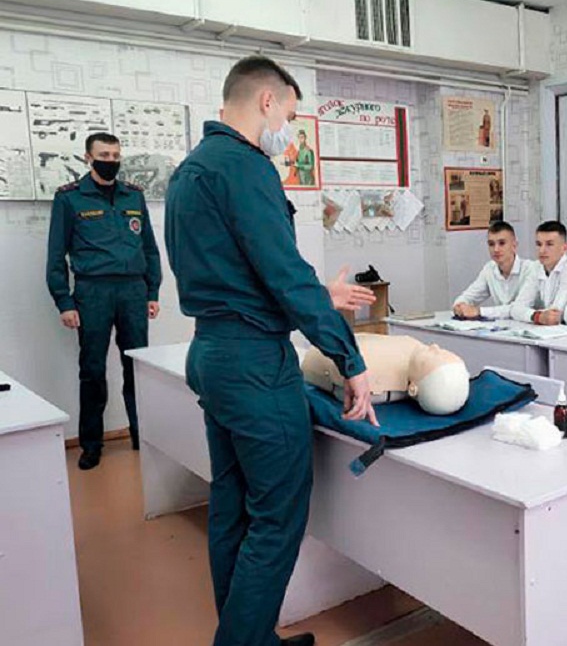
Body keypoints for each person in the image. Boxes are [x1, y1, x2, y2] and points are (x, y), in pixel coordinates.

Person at [165, 55, 379, 646]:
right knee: (277, 518)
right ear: (267, 101)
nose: (288, 128)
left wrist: (318, 293)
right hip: (255, 366)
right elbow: (282, 274)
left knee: (232, 507)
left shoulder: (190, 172)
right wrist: (350, 360)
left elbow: (240, 272)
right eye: (290, 114)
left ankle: (253, 636)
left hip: (212, 354)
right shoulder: (246, 167)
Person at [46, 132, 162, 470]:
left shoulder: (133, 195)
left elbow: (150, 249)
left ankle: (142, 435)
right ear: (88, 157)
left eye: (115, 155)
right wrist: (64, 302)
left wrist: (152, 292)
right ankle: (91, 444)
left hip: (133, 291)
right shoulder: (70, 198)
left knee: (136, 367)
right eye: (103, 155)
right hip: (93, 292)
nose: (110, 161)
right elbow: (56, 255)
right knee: (93, 370)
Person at [453, 220, 537, 320]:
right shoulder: (489, 269)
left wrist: (479, 311)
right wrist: (460, 306)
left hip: (531, 327)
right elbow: (468, 296)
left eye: (502, 243)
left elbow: (517, 309)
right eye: (491, 244)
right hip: (504, 327)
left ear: (514, 245)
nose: (496, 249)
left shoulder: (531, 269)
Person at [511, 220, 567, 325]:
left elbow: (556, 313)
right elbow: (516, 308)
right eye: (539, 244)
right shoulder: (536, 267)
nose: (542, 250)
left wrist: (534, 315)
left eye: (549, 244)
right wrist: (537, 316)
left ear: (564, 248)